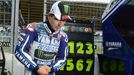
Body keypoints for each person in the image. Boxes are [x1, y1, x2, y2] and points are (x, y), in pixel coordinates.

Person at [15, 1, 71, 75]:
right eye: (57, 19)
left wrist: (52, 68)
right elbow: (19, 51)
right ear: (49, 16)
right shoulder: (33, 28)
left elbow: (62, 58)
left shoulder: (63, 36)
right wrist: (36, 68)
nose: (60, 24)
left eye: (64, 20)